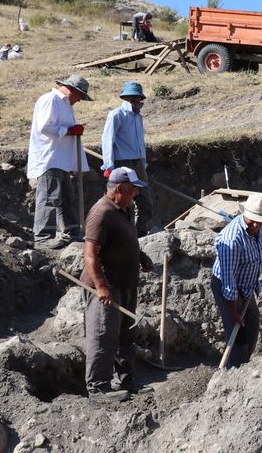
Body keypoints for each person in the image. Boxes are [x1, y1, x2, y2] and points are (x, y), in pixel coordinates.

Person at [82, 167, 154, 403]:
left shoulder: (124, 209)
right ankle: (98, 387)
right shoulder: (101, 213)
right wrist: (101, 286)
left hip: (126, 283)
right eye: (133, 190)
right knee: (103, 333)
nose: (136, 195)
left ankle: (125, 380)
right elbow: (91, 255)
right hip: (107, 285)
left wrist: (140, 256)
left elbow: (125, 240)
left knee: (125, 333)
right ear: (119, 189)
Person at [209, 194, 262, 369]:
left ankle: (244, 368)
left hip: (246, 286)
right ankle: (231, 373)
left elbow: (259, 241)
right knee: (237, 336)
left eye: (260, 221)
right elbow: (228, 280)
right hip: (228, 287)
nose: (256, 225)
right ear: (245, 213)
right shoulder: (231, 240)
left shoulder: (257, 227)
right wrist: (233, 312)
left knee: (252, 327)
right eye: (253, 220)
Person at [26, 75, 92, 250]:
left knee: (65, 197)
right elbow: (45, 127)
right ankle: (42, 237)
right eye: (80, 96)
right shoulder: (50, 100)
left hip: (61, 159)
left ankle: (71, 232)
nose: (79, 100)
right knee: (49, 197)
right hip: (50, 158)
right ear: (73, 90)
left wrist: (71, 130)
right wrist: (69, 131)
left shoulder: (65, 104)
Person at [101, 81, 152, 236]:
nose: (135, 101)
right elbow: (107, 139)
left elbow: (140, 142)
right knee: (124, 200)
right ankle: (123, 231)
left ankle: (140, 231)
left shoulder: (138, 117)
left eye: (137, 98)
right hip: (122, 163)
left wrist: (143, 163)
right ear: (125, 98)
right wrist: (108, 165)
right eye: (131, 98)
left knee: (145, 200)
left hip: (137, 162)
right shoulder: (116, 114)